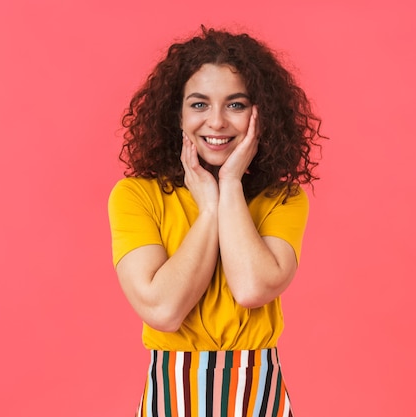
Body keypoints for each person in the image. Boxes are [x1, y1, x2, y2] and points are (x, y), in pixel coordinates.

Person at [108, 26, 323, 417]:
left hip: (258, 391)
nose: (218, 122)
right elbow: (163, 310)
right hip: (170, 390)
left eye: (236, 105)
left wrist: (229, 185)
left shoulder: (283, 199)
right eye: (200, 105)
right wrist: (208, 209)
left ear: (261, 115)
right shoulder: (136, 196)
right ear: (177, 113)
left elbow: (252, 288)